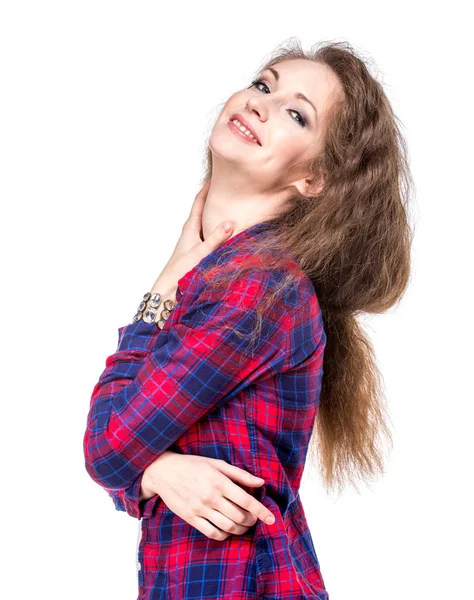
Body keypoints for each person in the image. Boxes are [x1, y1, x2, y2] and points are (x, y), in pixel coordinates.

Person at [83, 39, 413, 600]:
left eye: (296, 113)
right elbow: (125, 454)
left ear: (315, 180)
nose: (261, 102)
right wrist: (157, 472)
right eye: (264, 84)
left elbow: (109, 446)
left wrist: (162, 286)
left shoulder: (257, 288)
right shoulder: (231, 274)